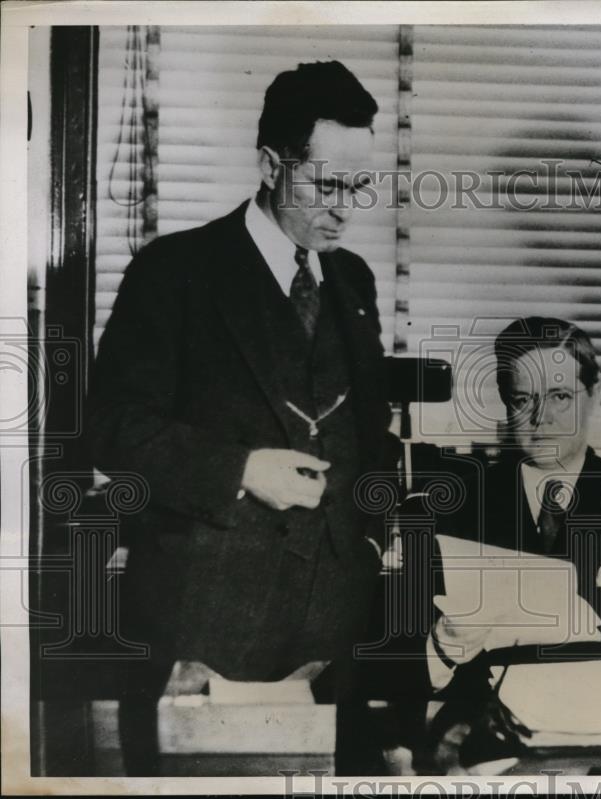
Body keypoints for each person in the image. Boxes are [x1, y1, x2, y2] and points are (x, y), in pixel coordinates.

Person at [86, 60, 391, 774]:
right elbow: (110, 424)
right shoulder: (175, 271)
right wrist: (241, 468)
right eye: (327, 183)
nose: (346, 206)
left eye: (361, 183)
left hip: (331, 639)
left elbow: (369, 436)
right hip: (206, 631)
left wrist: (374, 547)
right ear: (269, 164)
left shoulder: (354, 283)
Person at [402, 318, 601, 737]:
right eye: (523, 399)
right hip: (485, 735)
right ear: (506, 403)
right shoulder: (453, 508)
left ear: (595, 395)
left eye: (560, 395)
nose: (541, 418)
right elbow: (403, 673)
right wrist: (444, 647)